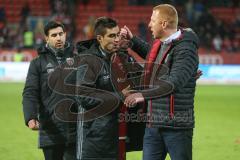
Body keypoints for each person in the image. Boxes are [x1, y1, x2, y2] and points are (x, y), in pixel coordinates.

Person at [121, 4, 199, 160]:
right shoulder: (162, 44)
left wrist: (142, 95)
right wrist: (133, 41)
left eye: (153, 20)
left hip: (176, 126)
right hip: (153, 124)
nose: (149, 24)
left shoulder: (186, 49)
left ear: (163, 24)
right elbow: (151, 56)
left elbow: (174, 83)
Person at [76, 17, 144, 160]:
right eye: (112, 36)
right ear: (99, 38)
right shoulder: (89, 61)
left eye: (118, 34)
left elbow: (143, 79)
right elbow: (83, 95)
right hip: (95, 138)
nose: (116, 39)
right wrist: (119, 96)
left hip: (120, 134)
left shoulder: (122, 57)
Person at [22, 21, 77, 160]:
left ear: (65, 34)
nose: (58, 38)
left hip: (76, 130)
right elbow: (30, 92)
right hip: (50, 130)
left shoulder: (78, 59)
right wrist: (30, 117)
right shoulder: (37, 63)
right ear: (47, 38)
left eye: (60, 34)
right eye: (54, 35)